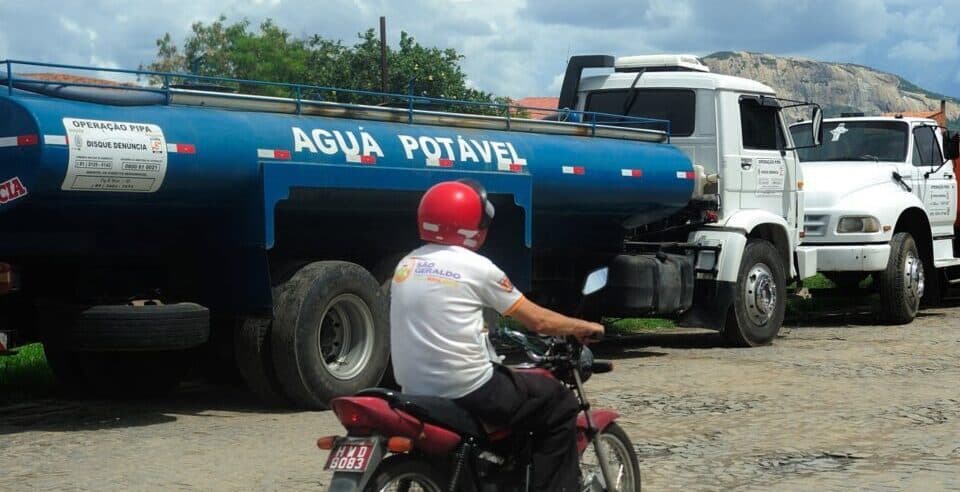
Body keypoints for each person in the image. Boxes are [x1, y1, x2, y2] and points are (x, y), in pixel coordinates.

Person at [390, 179, 605, 491]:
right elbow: (538, 320)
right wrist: (583, 327)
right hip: (468, 387)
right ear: (473, 225)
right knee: (559, 403)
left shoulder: (407, 264)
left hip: (415, 387)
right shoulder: (477, 267)